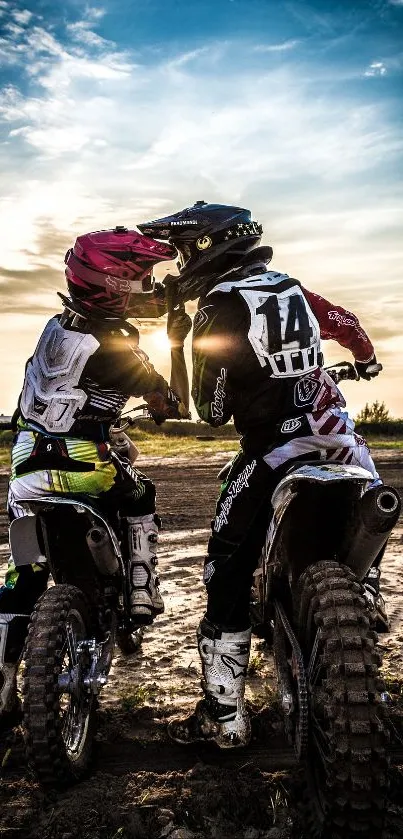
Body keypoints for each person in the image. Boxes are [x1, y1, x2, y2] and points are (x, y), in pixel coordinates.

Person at [138, 201, 384, 749]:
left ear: (206, 248)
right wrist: (364, 360)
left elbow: (213, 409)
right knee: (367, 520)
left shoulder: (220, 306)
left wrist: (180, 343)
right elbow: (345, 324)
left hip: (273, 451)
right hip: (342, 444)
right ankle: (366, 599)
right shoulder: (291, 288)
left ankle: (224, 718)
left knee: (225, 567)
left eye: (181, 251)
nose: (178, 266)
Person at [0, 225, 187, 722]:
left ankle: (2, 679)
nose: (148, 286)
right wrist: (174, 354)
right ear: (115, 284)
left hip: (26, 466)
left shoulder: (56, 329)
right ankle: (143, 589)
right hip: (85, 466)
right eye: (142, 278)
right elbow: (167, 402)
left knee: (24, 572)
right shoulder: (117, 344)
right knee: (141, 493)